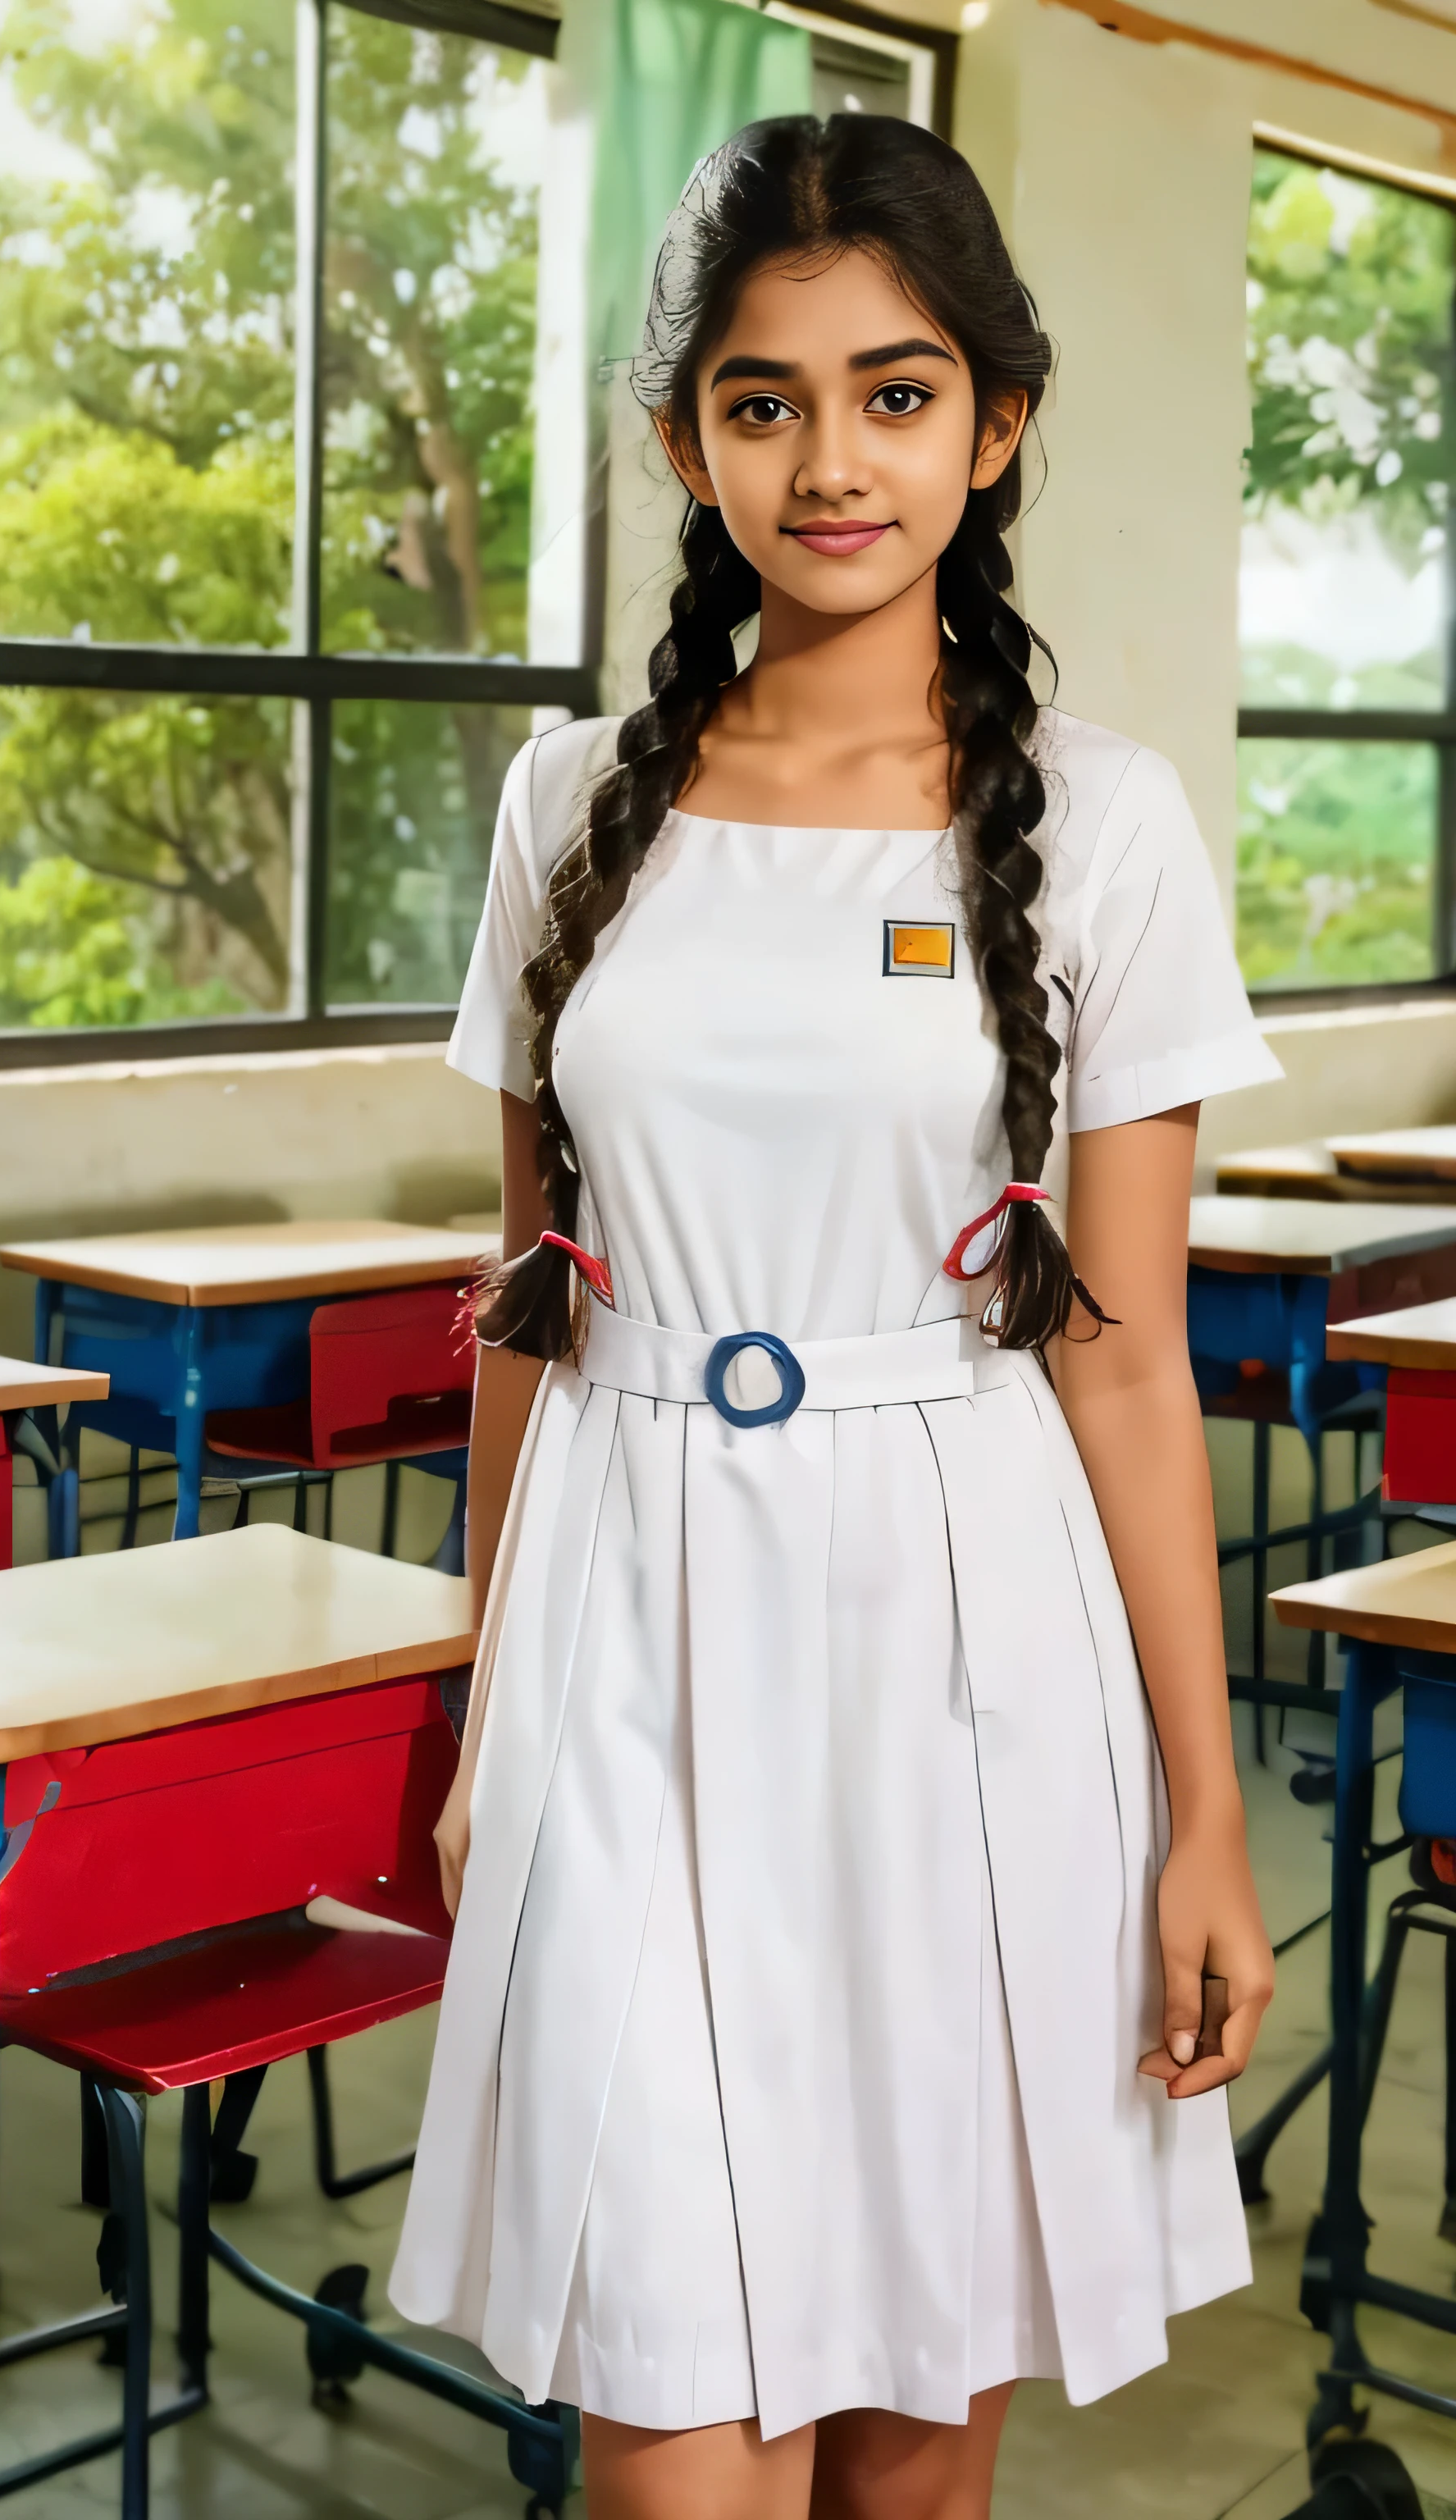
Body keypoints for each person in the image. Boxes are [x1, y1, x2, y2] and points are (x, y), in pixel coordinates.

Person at [390, 112, 1280, 2520]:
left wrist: (1206, 1813)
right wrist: (486, 1711)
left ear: (996, 426)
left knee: (910, 2445)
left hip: (963, 1643)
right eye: (764, 402)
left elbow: (1120, 1356)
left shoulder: (1100, 825)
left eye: (897, 394)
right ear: (685, 440)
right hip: (628, 1633)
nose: (832, 460)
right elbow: (525, 1311)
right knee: (679, 2434)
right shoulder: (571, 801)